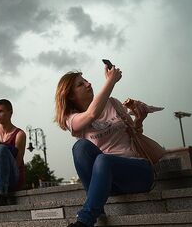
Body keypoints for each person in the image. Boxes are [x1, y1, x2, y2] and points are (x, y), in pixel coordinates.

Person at [54, 66, 156, 227]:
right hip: (109, 180)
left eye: (86, 80)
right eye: (81, 84)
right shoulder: (71, 118)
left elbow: (135, 132)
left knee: (104, 160)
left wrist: (139, 119)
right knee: (80, 147)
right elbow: (91, 114)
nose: (88, 84)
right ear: (71, 96)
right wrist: (111, 81)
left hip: (138, 171)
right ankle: (96, 207)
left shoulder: (113, 103)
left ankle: (84, 221)